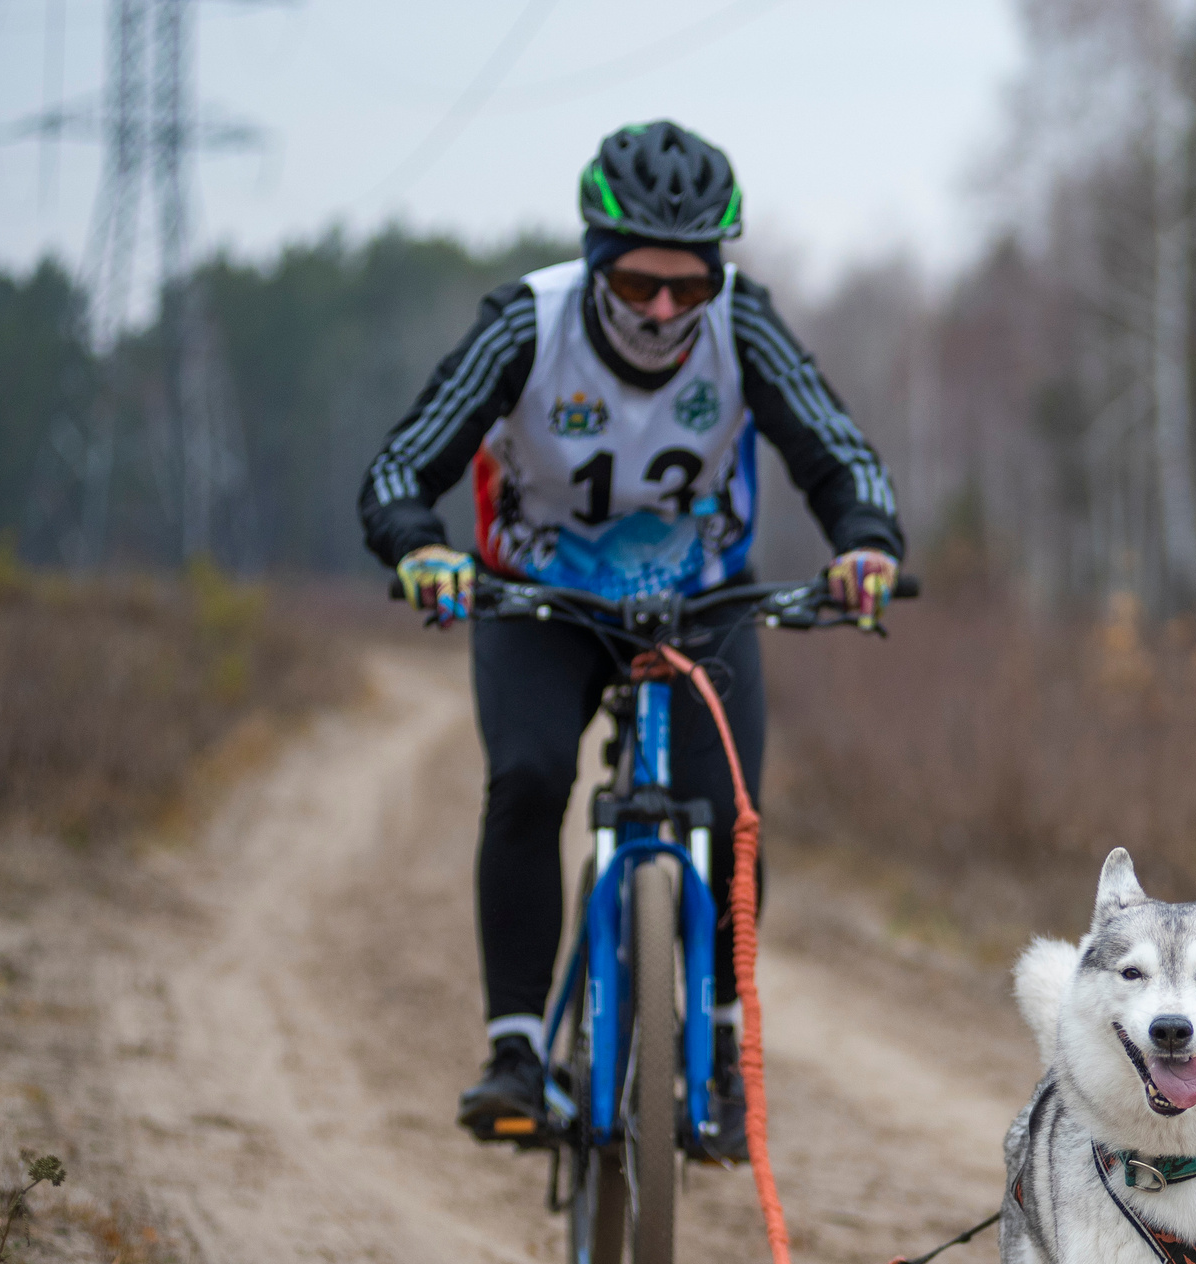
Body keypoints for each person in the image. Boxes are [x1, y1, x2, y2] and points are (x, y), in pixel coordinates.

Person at [357, 119, 901, 1155]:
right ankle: (516, 1048)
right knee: (524, 776)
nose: (664, 309)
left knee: (732, 811)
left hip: (699, 600)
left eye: (689, 286)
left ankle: (726, 1042)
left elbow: (838, 453)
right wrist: (419, 547)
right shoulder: (527, 320)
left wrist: (865, 543)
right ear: (598, 263)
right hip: (540, 602)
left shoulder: (746, 324)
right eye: (642, 283)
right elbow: (400, 466)